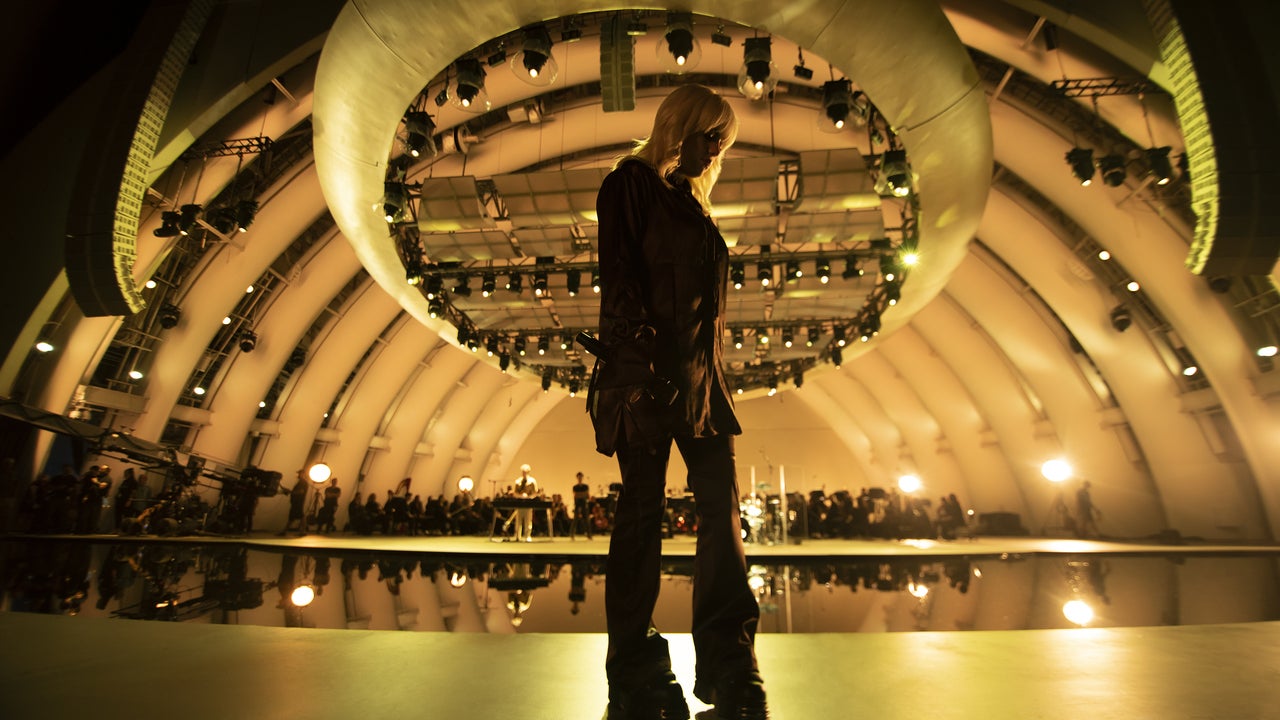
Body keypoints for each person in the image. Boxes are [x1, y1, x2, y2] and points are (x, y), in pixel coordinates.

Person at [588, 84, 767, 720]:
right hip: (646, 379)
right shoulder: (630, 184)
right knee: (640, 517)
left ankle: (730, 662)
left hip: (700, 381)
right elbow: (621, 285)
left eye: (723, 140)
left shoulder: (691, 201)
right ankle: (634, 664)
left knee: (721, 512)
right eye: (707, 134)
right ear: (677, 126)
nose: (716, 149)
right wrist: (634, 375)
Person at [512, 463, 539, 542]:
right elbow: (515, 493)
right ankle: (517, 536)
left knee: (528, 520)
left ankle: (527, 536)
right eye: (523, 471)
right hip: (520, 503)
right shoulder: (518, 481)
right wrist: (520, 496)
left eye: (525, 471)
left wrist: (528, 497)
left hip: (528, 503)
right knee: (518, 520)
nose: (524, 472)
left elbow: (535, 493)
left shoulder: (532, 481)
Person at [572, 471, 593, 540]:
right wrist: (581, 495)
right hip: (577, 504)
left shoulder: (585, 486)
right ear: (577, 478)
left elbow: (587, 495)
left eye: (581, 477)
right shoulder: (575, 487)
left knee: (587, 520)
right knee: (575, 520)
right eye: (579, 477)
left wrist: (582, 495)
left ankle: (589, 535)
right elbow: (575, 496)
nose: (580, 478)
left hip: (584, 504)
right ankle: (572, 535)